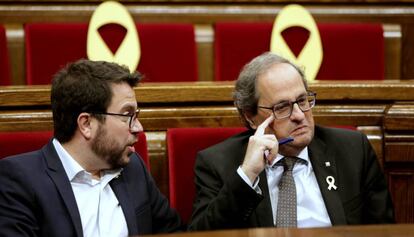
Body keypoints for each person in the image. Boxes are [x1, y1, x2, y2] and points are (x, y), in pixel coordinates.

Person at [189, 52, 394, 230]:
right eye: (282, 107)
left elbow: (384, 230)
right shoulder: (219, 164)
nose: (299, 115)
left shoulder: (352, 150)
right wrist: (247, 175)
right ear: (251, 117)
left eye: (303, 100)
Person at [0, 59, 183, 236]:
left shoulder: (133, 168)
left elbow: (173, 233)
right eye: (127, 115)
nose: (138, 128)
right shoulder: (19, 180)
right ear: (86, 124)